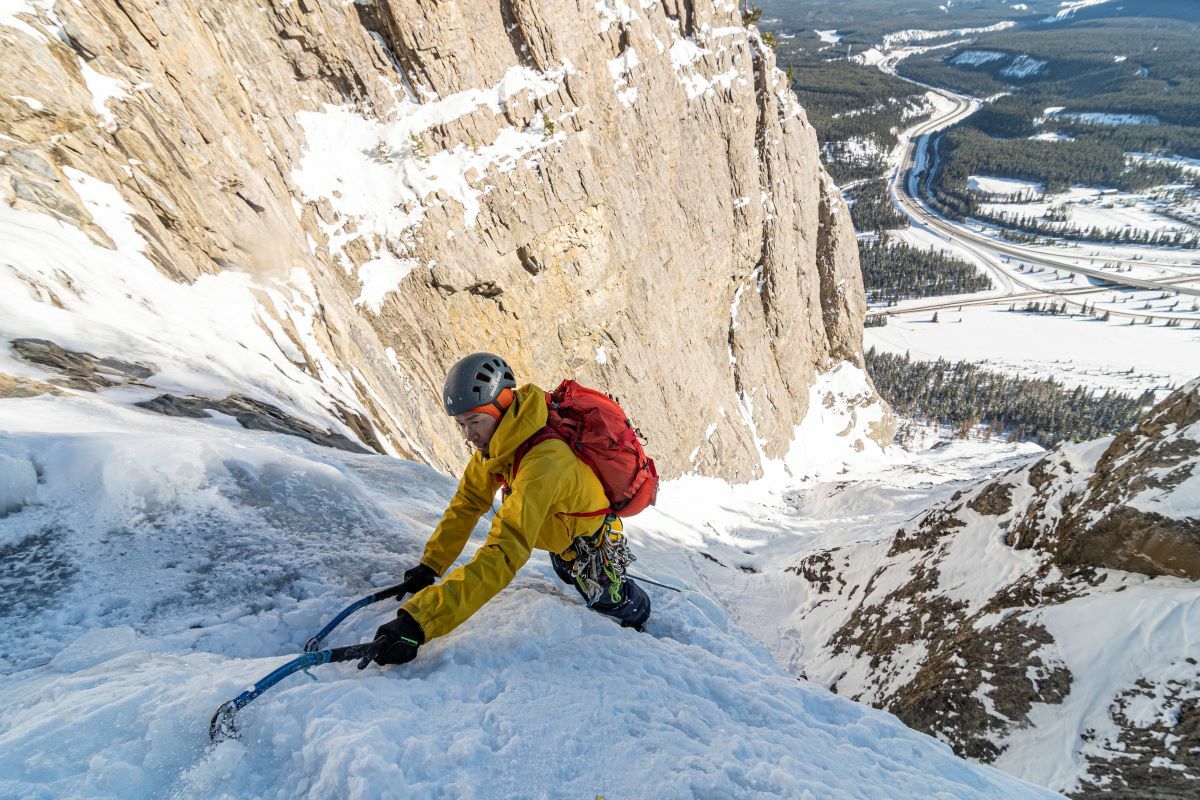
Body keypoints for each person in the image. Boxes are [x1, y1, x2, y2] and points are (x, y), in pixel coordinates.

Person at [364, 352, 651, 667]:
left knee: (611, 602)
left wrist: (420, 623)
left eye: (474, 422)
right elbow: (468, 502)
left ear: (501, 408)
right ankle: (567, 562)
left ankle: (636, 607)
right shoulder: (498, 445)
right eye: (461, 425)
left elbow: (504, 552)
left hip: (586, 543)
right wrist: (431, 565)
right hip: (556, 525)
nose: (469, 436)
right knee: (563, 566)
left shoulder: (544, 462)